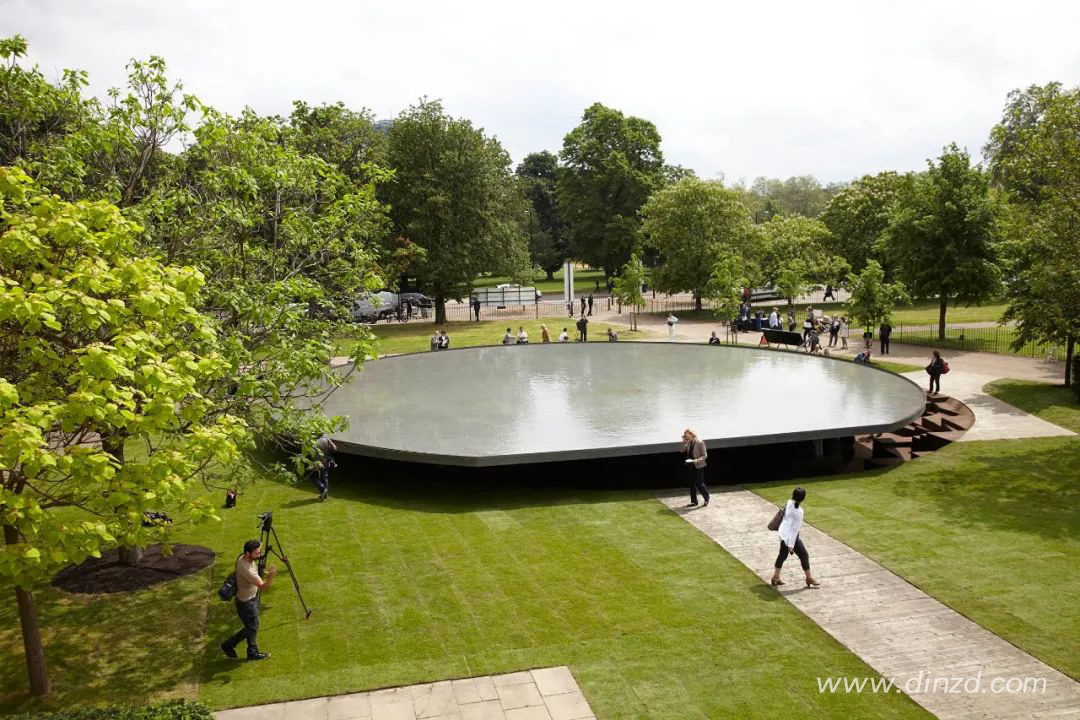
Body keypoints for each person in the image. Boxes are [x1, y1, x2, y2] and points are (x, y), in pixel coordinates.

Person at [220, 539, 276, 660]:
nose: (259, 555)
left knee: (253, 624)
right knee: (251, 627)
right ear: (247, 553)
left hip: (248, 599)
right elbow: (263, 587)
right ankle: (228, 645)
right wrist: (271, 576)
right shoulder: (248, 570)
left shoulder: (241, 558)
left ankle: (252, 651)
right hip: (246, 603)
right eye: (256, 553)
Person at [770, 487, 820, 588]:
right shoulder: (799, 512)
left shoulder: (788, 503)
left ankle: (776, 577)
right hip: (790, 537)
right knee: (804, 555)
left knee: (782, 555)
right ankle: (809, 578)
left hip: (783, 534)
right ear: (803, 498)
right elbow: (794, 530)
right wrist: (791, 546)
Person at [681, 428, 709, 507]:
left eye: (687, 435)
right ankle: (694, 501)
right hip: (690, 465)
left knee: (700, 483)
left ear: (691, 434)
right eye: (685, 436)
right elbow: (682, 450)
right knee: (692, 484)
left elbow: (705, 455)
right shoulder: (689, 442)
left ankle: (706, 498)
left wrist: (697, 460)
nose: (686, 437)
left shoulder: (700, 442)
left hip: (698, 465)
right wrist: (684, 442)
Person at [314, 433, 336, 501]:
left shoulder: (314, 440)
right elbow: (334, 449)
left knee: (313, 476)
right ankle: (325, 495)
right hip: (326, 461)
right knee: (324, 477)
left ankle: (323, 489)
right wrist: (329, 441)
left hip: (317, 462)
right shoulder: (326, 439)